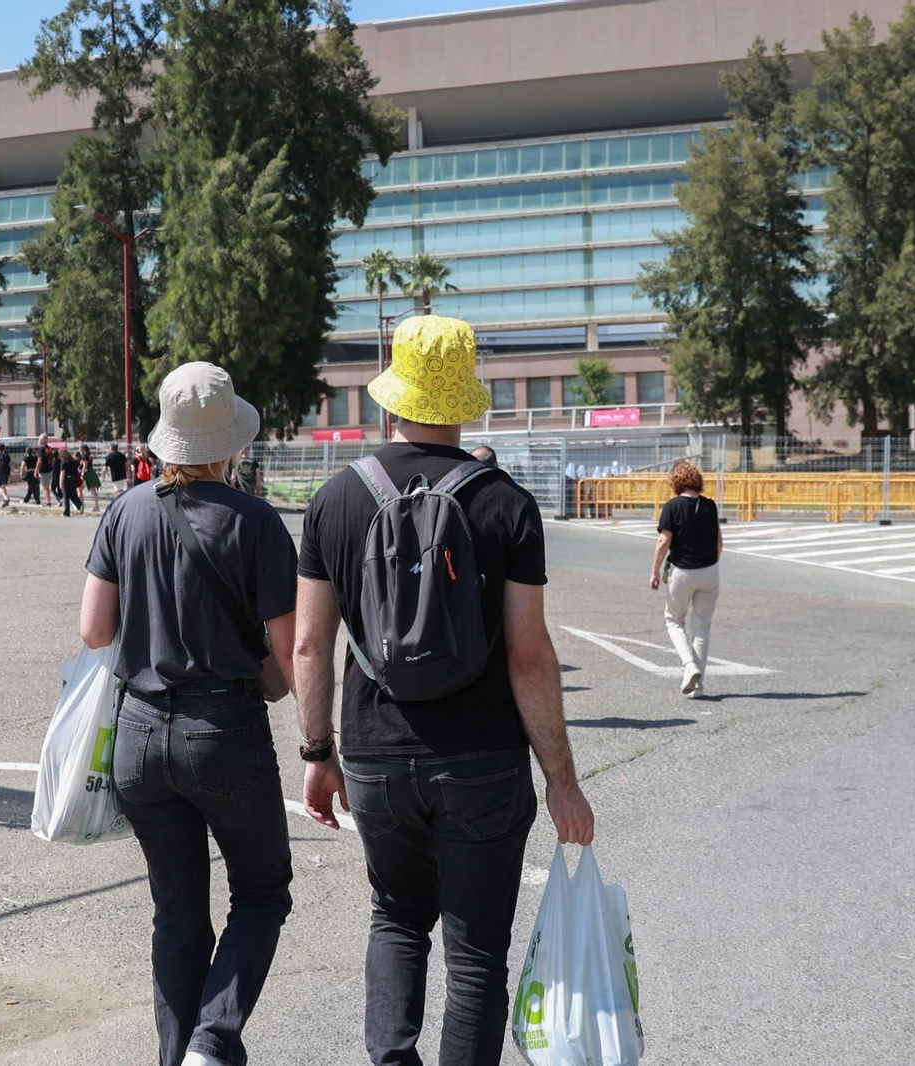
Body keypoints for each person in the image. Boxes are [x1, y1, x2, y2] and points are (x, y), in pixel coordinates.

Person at [294, 314, 593, 1066]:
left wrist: (317, 752)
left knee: (396, 920)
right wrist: (562, 779)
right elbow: (528, 655)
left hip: (373, 755)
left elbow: (308, 643)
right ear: (464, 401)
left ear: (391, 400)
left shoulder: (335, 500)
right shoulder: (507, 504)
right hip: (483, 759)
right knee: (476, 955)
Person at [81, 361, 297, 1066]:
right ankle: (212, 1040)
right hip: (224, 729)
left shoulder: (125, 509)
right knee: (261, 892)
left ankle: (182, 1057)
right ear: (231, 444)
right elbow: (288, 654)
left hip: (140, 732)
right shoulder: (258, 523)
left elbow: (93, 630)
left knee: (176, 910)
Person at [649, 460, 722, 698]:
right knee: (702, 626)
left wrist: (655, 570)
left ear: (676, 481)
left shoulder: (673, 506)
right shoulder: (710, 506)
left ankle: (689, 666)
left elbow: (664, 541)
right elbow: (719, 542)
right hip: (710, 570)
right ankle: (698, 686)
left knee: (674, 621)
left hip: (683, 571)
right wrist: (710, 562)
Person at [61, 447, 84, 517]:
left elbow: (62, 473)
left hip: (67, 479)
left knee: (66, 496)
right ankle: (80, 505)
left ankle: (66, 512)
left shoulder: (64, 463)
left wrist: (61, 482)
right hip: (73, 479)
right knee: (73, 495)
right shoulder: (74, 462)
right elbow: (77, 471)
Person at [37, 434, 58, 509]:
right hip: (49, 469)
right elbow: (52, 459)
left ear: (42, 441)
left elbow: (39, 460)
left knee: (45, 487)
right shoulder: (49, 448)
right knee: (47, 486)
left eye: (39, 439)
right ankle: (48, 501)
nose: (38, 441)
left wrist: (36, 470)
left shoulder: (41, 449)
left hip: (43, 469)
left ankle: (48, 501)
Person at [81, 444, 103, 510]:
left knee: (89, 489)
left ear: (83, 449)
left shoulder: (84, 456)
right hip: (91, 471)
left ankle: (83, 504)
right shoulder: (89, 455)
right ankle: (96, 505)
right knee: (92, 490)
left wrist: (82, 473)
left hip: (88, 472)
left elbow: (85, 465)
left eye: (81, 449)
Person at [0, 441, 12, 509]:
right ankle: (5, 500)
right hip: (7, 470)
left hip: (1, 471)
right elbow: (9, 463)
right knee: (3, 486)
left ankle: (5, 498)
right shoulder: (7, 454)